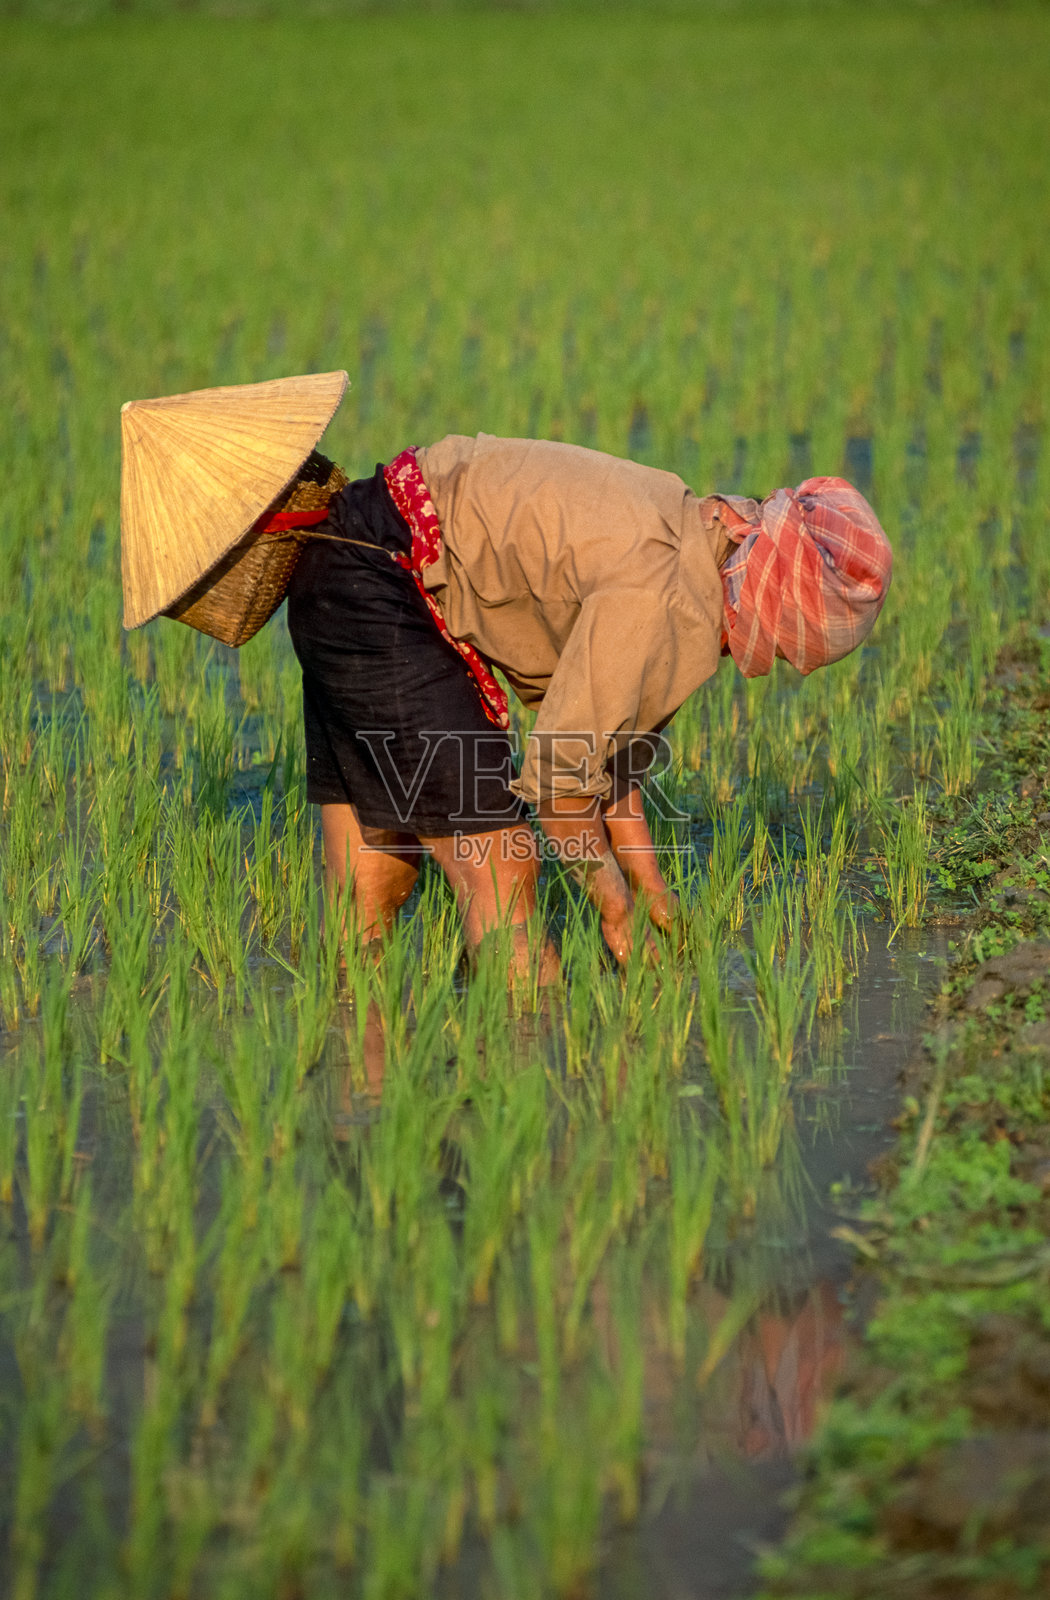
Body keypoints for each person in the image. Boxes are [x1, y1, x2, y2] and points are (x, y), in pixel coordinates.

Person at [120, 373, 892, 980]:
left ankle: (359, 1099)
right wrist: (615, 906)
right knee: (504, 876)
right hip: (386, 588)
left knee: (375, 882)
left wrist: (654, 893)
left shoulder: (686, 531)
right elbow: (561, 788)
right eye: (781, 639)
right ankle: (521, 1074)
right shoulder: (662, 595)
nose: (767, 656)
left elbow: (609, 759)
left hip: (346, 563)